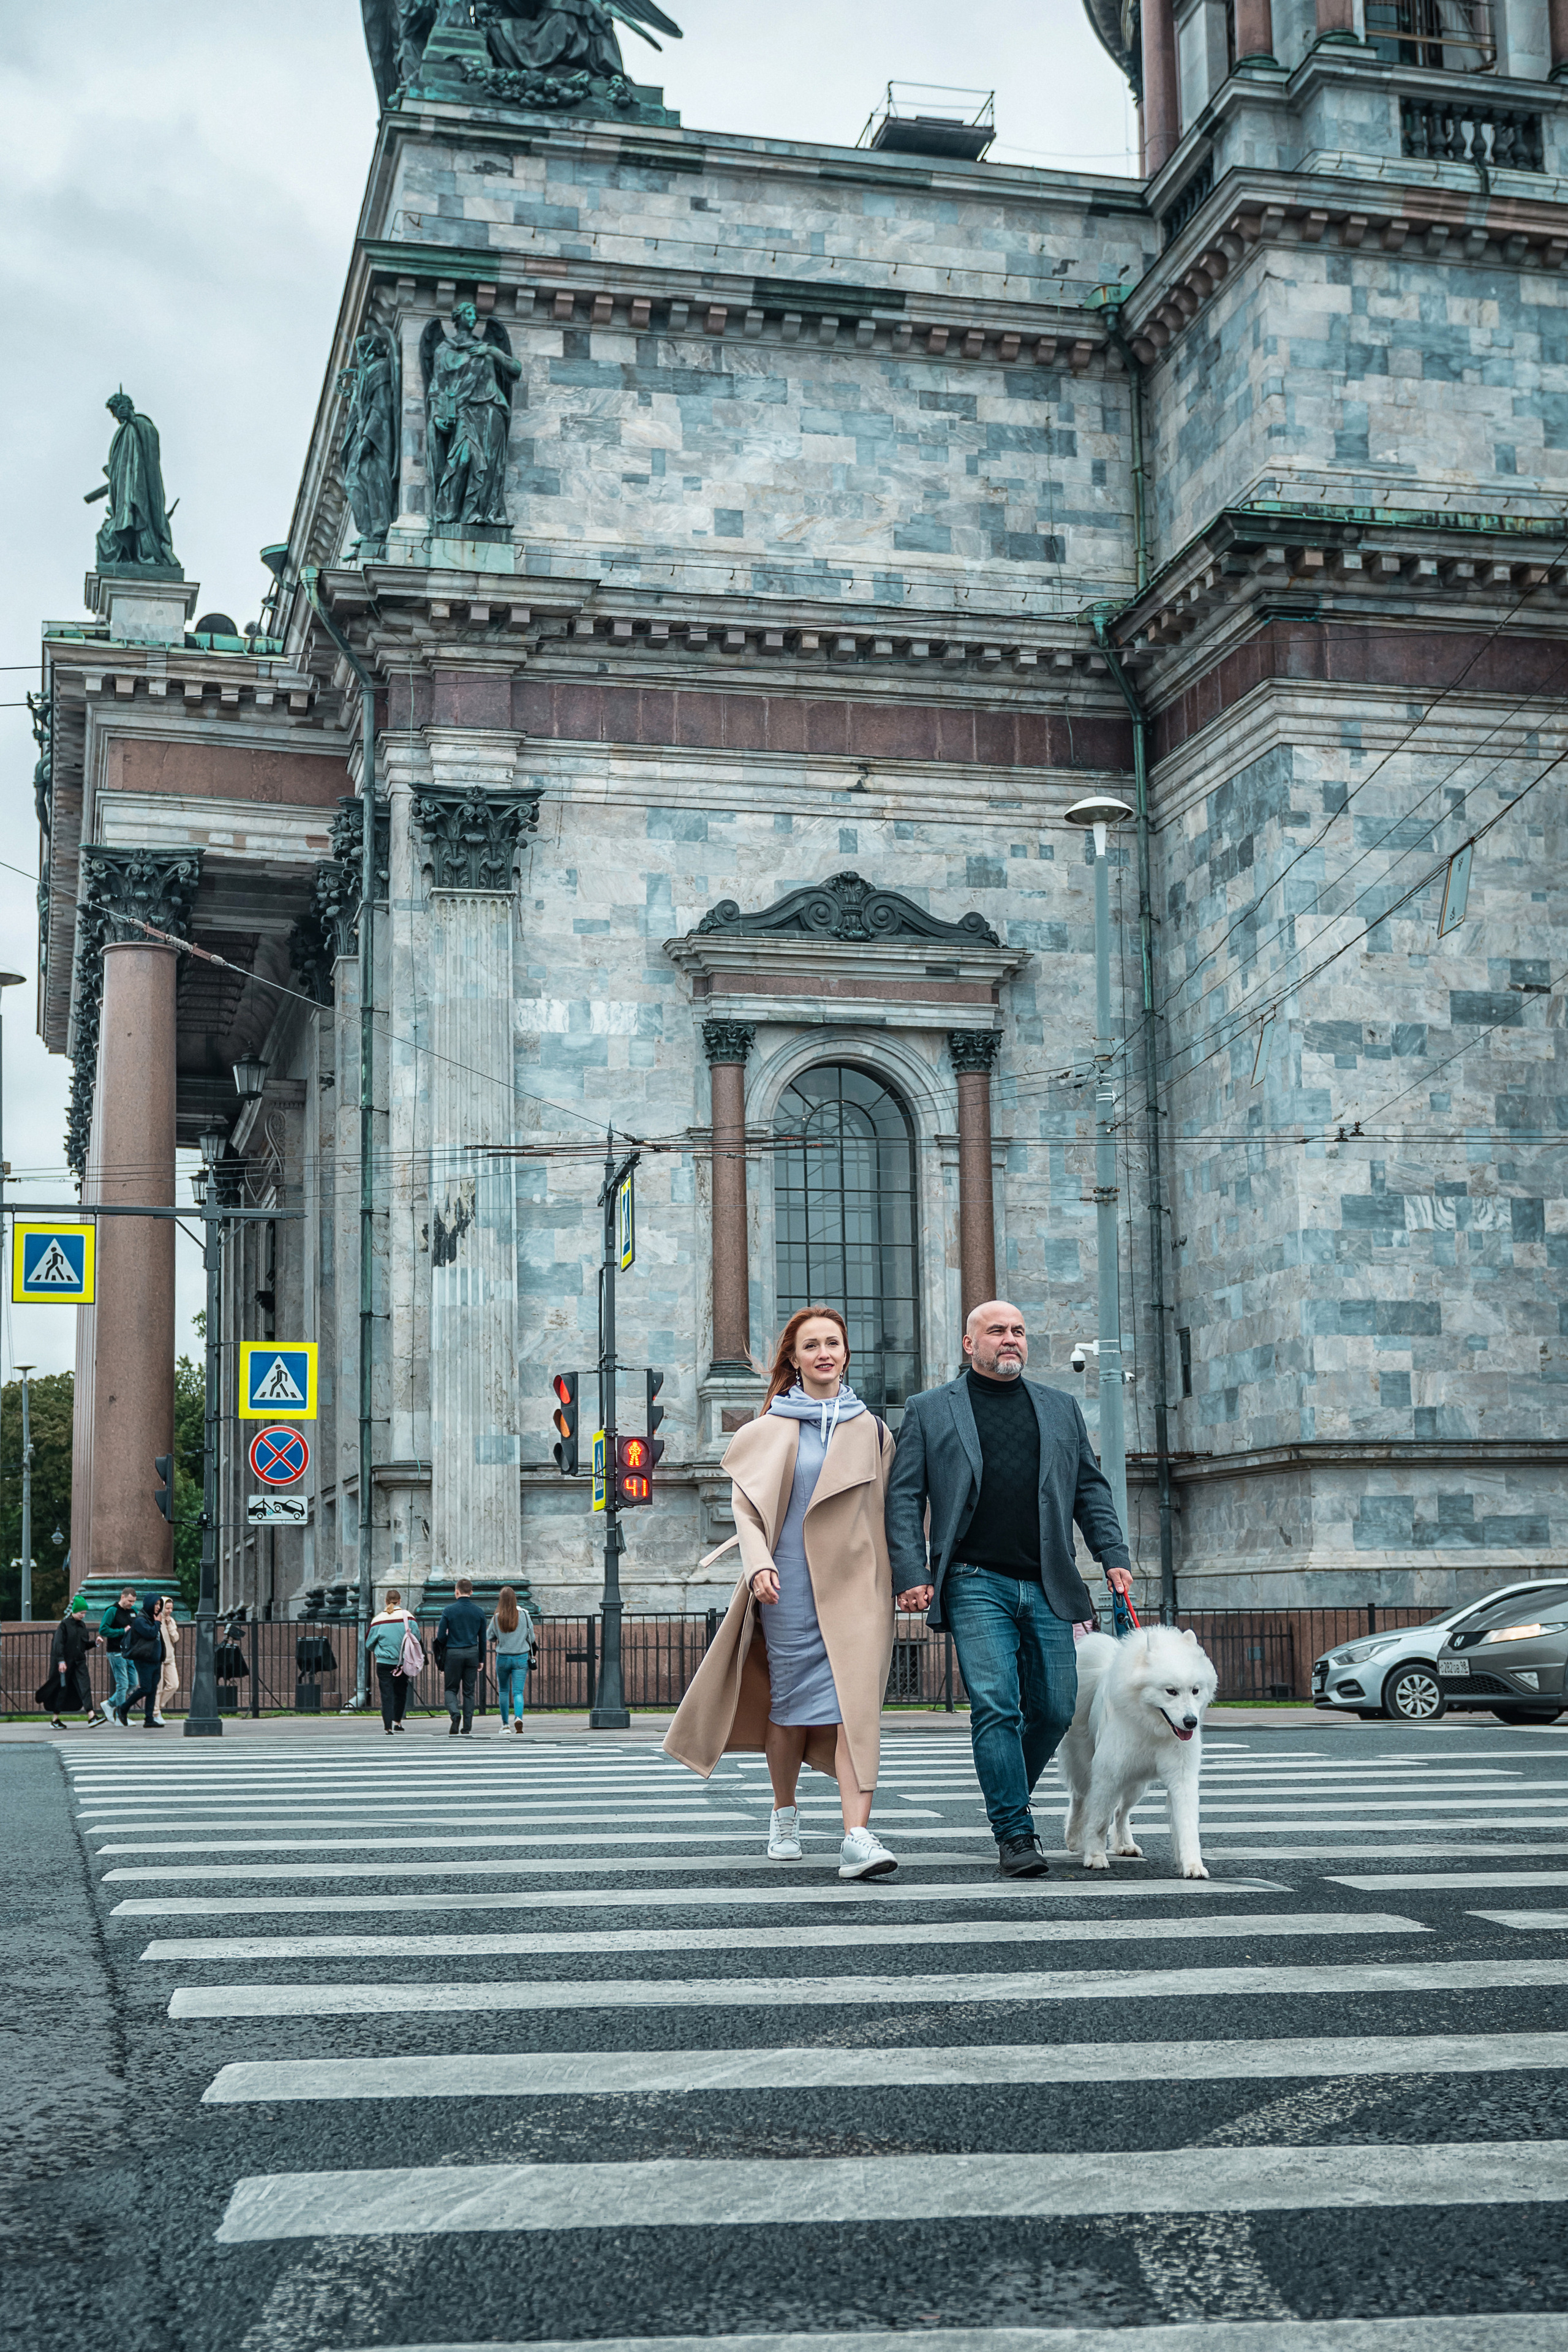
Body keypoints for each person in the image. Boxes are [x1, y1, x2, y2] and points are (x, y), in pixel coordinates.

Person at [885, 1298, 1134, 1879]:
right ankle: (1015, 1833)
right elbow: (903, 1498)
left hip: (1047, 1582)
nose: (1010, 1339)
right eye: (996, 1331)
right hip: (974, 1580)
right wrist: (911, 1573)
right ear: (969, 1344)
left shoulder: (1060, 1408)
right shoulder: (930, 1410)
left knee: (1050, 1709)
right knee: (996, 1705)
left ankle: (1008, 1795)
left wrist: (1113, 1555)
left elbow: (1089, 1491)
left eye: (1019, 1331)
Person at [665, 1306, 899, 1881]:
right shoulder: (767, 1428)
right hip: (788, 1583)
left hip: (859, 1584)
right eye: (812, 1345)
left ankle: (856, 1837)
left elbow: (888, 1510)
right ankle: (784, 1812)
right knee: (790, 1704)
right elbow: (745, 1509)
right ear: (793, 1358)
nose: (824, 1353)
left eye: (834, 1344)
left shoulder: (871, 1429)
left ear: (846, 1354)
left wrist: (906, 1579)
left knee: (855, 1709)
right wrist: (759, 1564)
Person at [39, 1597, 105, 1727]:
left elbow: (83, 1645)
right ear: (74, 1611)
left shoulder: (82, 1625)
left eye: (84, 1613)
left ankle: (91, 1716)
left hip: (79, 1662)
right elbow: (58, 1644)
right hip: (66, 1663)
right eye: (81, 1613)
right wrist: (61, 1661)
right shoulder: (64, 1624)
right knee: (62, 1689)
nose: (83, 1615)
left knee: (85, 1687)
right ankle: (55, 1719)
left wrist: (95, 1644)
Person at [435, 1577, 488, 1735]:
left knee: (451, 1689)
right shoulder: (479, 1611)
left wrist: (448, 1642)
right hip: (472, 1653)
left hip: (453, 1653)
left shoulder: (449, 1610)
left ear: (456, 1592)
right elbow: (483, 1639)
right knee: (469, 1692)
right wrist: (481, 1659)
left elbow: (440, 1636)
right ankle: (467, 1728)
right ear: (471, 1592)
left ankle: (455, 1713)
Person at [366, 1588, 420, 1733]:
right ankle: (398, 1721)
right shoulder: (408, 1617)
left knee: (387, 1694)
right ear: (400, 1601)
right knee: (401, 1692)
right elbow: (417, 1638)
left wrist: (381, 1651)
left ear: (386, 1601)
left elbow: (369, 1643)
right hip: (402, 1663)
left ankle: (387, 1726)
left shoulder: (377, 1620)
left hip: (383, 1663)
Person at [488, 1586, 534, 1736]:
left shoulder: (496, 1617)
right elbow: (531, 1638)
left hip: (503, 1658)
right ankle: (518, 1718)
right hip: (521, 1657)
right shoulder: (525, 1616)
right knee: (518, 1692)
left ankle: (505, 1725)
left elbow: (489, 1637)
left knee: (503, 1691)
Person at [116, 1591, 165, 1728]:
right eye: (156, 1604)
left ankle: (149, 1719)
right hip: (144, 1660)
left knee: (152, 1690)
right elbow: (150, 1634)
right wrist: (157, 1624)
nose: (158, 1607)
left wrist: (162, 1656)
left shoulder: (153, 1619)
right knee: (145, 1688)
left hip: (155, 1660)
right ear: (149, 1604)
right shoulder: (141, 1620)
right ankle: (123, 1708)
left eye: (159, 1604)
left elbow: (158, 1639)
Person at [98, 1585, 140, 1722]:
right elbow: (103, 1630)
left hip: (130, 1652)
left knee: (133, 1683)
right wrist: (122, 1631)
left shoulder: (133, 1611)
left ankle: (110, 1704)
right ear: (123, 1597)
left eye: (134, 1601)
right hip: (116, 1652)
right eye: (129, 1601)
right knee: (123, 1684)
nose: (132, 1604)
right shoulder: (112, 1611)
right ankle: (120, 1717)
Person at [153, 1596, 181, 1725]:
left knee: (174, 1684)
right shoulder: (156, 1619)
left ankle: (159, 1705)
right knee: (158, 1688)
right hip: (159, 1658)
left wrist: (170, 1625)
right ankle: (156, 1713)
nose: (169, 1611)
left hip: (170, 1658)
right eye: (167, 1608)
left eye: (171, 1608)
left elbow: (175, 1638)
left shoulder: (171, 1620)